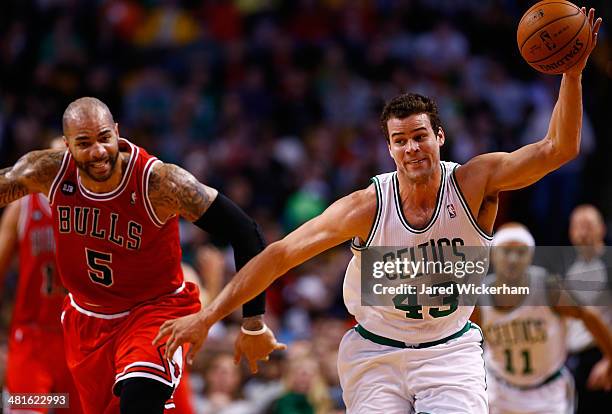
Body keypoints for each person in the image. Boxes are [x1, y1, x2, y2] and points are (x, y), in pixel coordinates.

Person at [155, 10, 602, 413]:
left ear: (440, 137)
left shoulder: (474, 181)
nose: (412, 148)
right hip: (375, 352)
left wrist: (572, 75)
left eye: (420, 136)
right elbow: (278, 256)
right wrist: (207, 316)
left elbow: (558, 149)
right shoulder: (366, 206)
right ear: (389, 149)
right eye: (401, 140)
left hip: (449, 350)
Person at [0, 97, 285, 413]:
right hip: (84, 324)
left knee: (138, 400)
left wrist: (253, 321)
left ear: (117, 132)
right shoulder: (47, 173)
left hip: (154, 314)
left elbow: (247, 232)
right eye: (84, 143)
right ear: (67, 146)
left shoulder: (159, 182)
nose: (98, 151)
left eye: (104, 137)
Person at [471, 223, 612, 414]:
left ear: (530, 257)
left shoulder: (548, 287)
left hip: (548, 393)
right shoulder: (480, 297)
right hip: (499, 390)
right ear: (493, 255)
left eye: (521, 252)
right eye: (506, 251)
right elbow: (468, 344)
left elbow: (588, 315)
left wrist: (610, 357)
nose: (513, 259)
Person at [0, 140, 83, 414]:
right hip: (33, 338)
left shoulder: (97, 207)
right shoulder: (22, 207)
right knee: (25, 410)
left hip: (80, 341)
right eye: (55, 158)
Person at [564, 205, 612, 412]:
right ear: (570, 232)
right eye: (578, 227)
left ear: (602, 229)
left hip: (600, 358)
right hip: (573, 363)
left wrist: (608, 360)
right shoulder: (569, 269)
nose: (583, 232)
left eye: (588, 226)